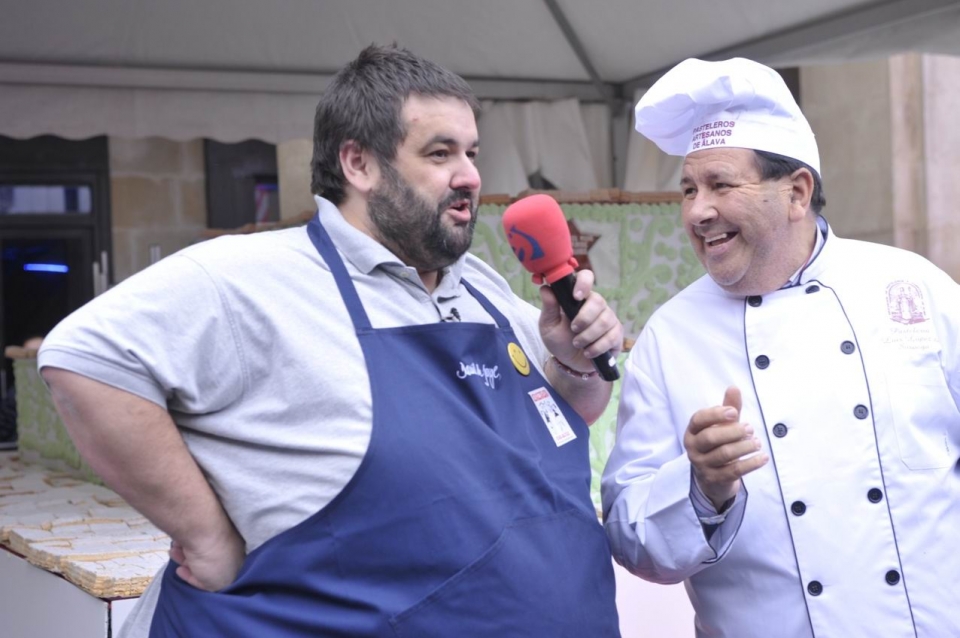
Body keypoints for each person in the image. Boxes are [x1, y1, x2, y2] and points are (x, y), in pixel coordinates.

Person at [37, 44, 623, 637]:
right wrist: (205, 535)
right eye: (439, 152)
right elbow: (84, 357)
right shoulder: (253, 275)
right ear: (358, 164)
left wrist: (575, 365)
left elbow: (569, 416)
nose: (469, 175)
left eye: (471, 152)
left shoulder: (483, 288)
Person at [602, 57, 960, 637]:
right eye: (689, 189)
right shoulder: (668, 339)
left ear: (796, 192)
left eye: (720, 185)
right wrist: (702, 489)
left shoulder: (912, 289)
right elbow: (631, 539)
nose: (697, 211)